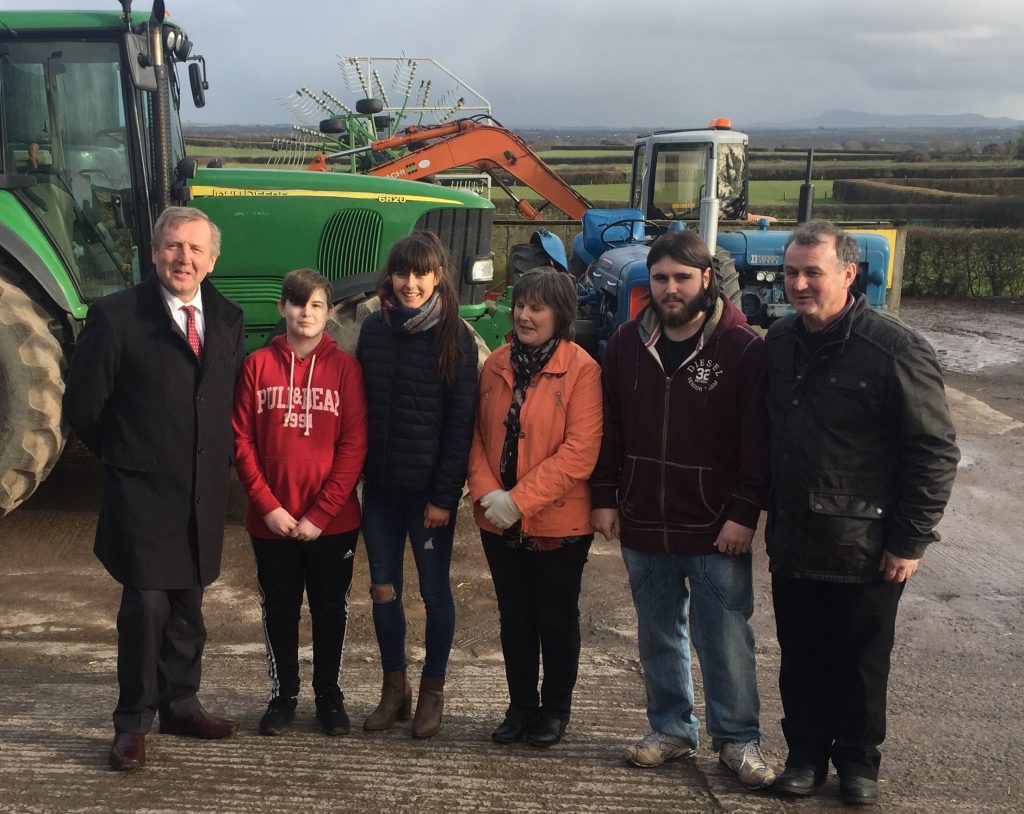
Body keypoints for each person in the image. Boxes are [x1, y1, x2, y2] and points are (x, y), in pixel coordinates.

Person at [766, 220, 959, 806]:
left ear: (849, 274)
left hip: (866, 544)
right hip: (794, 536)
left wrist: (910, 539)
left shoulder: (894, 349)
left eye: (813, 272)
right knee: (800, 658)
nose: (799, 283)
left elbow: (933, 450)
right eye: (791, 272)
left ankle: (857, 762)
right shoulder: (779, 341)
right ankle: (804, 757)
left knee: (860, 662)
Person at [589, 230, 777, 789]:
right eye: (661, 278)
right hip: (643, 516)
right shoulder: (625, 344)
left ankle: (737, 739)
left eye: (682, 278)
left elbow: (757, 444)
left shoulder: (743, 349)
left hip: (715, 524)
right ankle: (671, 729)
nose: (671, 289)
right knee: (658, 635)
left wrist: (744, 513)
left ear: (707, 280)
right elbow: (611, 427)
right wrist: (604, 496)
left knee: (724, 638)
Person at [64, 206, 245, 771]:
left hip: (200, 488)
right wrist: (126, 456)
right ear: (153, 252)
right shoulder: (116, 316)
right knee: (145, 608)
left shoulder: (228, 317)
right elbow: (84, 407)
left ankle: (181, 704)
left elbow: (221, 397)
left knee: (189, 602)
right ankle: (132, 722)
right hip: (142, 490)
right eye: (173, 246)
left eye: (195, 249)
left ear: (212, 260)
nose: (183, 258)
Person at [467, 268, 603, 747]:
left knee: (556, 618)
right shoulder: (495, 364)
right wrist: (488, 493)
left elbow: (580, 451)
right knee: (515, 617)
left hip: (558, 523)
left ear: (559, 315)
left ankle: (555, 710)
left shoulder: (582, 370)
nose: (524, 315)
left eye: (536, 308)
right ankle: (520, 706)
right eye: (521, 305)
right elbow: (476, 435)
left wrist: (518, 501)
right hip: (496, 520)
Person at [232, 269, 368, 738]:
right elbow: (242, 441)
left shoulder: (345, 369)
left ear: (329, 313)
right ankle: (283, 696)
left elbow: (354, 446)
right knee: (279, 609)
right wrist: (267, 506)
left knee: (331, 610)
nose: (305, 313)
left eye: (316, 306)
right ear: (282, 308)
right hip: (271, 521)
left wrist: (321, 513)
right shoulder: (256, 366)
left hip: (333, 523)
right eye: (297, 303)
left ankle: (329, 695)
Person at [356, 230, 478, 739]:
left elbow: (460, 425)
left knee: (434, 593)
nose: (410, 283)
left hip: (429, 498)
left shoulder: (455, 337)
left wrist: (444, 498)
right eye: (402, 272)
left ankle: (432, 691)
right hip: (380, 494)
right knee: (383, 590)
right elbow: (359, 407)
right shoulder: (372, 329)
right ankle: (394, 690)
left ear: (438, 276)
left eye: (421, 273)